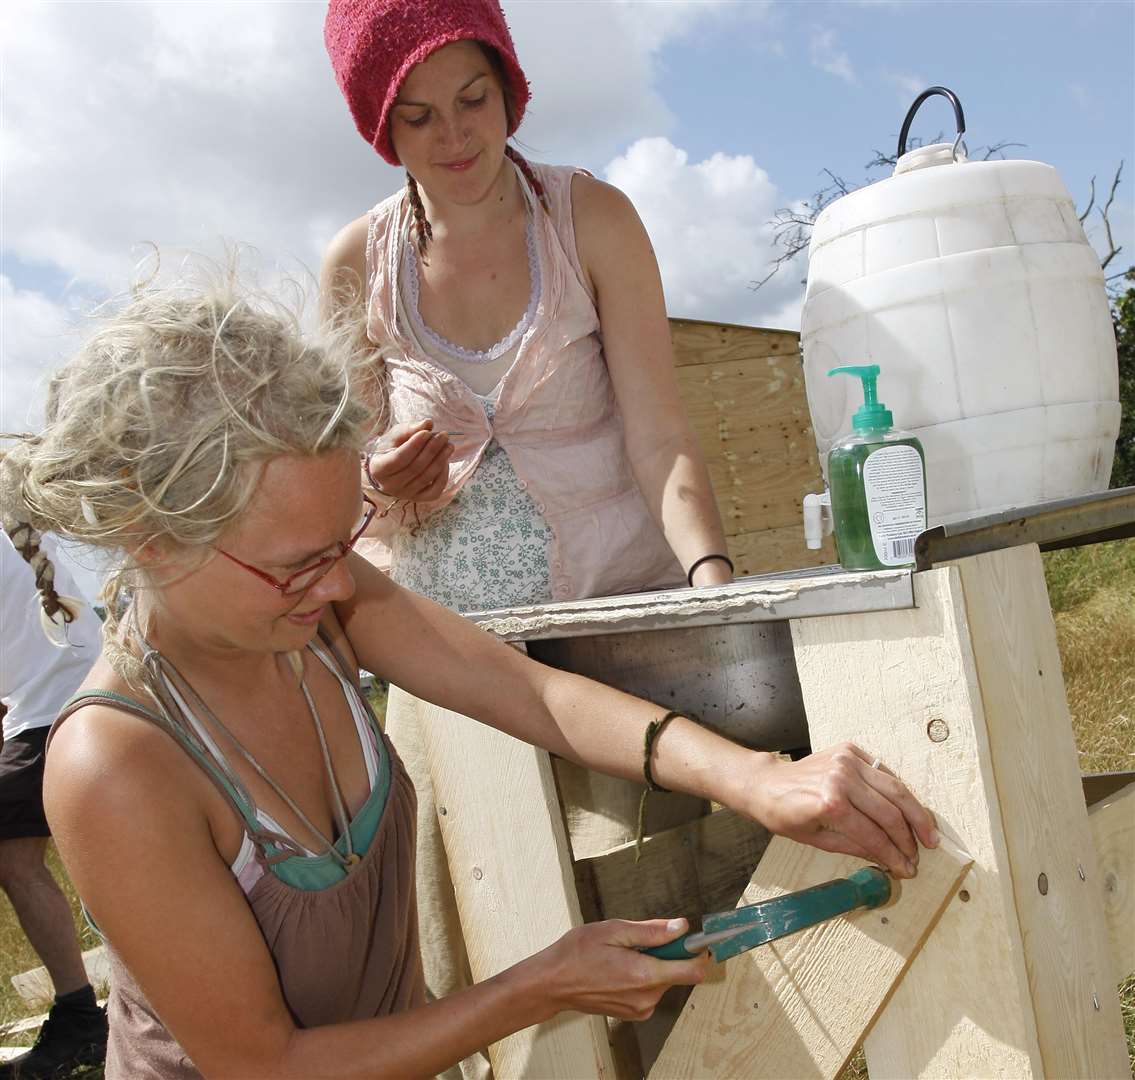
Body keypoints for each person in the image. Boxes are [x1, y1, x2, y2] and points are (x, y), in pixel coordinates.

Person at [0, 275, 937, 1079]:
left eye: (346, 540)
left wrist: (752, 776)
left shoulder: (315, 599)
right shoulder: (115, 765)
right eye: (295, 563)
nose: (335, 584)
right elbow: (265, 1064)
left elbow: (530, 694)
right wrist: (538, 987)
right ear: (149, 537)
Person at [318, 3, 741, 1050]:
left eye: (474, 99)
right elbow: (331, 498)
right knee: (493, 953)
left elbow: (659, 437)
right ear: (382, 127)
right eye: (417, 119)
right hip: (445, 669)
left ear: (510, 84)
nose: (456, 137)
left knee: (648, 925)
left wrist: (710, 577)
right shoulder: (351, 268)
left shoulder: (588, 218)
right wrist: (376, 476)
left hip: (610, 643)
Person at [0, 528, 107, 1079]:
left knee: (15, 861)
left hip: (44, 713)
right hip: (104, 690)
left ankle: (81, 1018)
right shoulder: (22, 525)